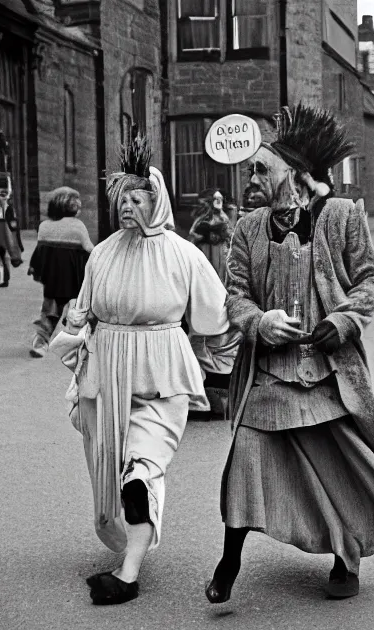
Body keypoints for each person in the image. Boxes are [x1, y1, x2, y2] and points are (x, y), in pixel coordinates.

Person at [205, 104, 374, 604]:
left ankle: (347, 559)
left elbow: (370, 280)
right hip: (271, 374)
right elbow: (234, 293)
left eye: (261, 169)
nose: (250, 178)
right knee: (246, 462)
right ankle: (229, 559)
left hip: (326, 373)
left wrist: (343, 321)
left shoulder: (341, 217)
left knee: (343, 468)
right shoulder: (248, 227)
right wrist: (259, 322)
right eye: (249, 169)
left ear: (294, 177)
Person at [50, 137, 229, 606]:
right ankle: (126, 557)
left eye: (136, 199)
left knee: (141, 469)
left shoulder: (182, 254)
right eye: (121, 200)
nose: (126, 207)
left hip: (160, 370)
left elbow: (215, 315)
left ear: (156, 201)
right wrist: (73, 322)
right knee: (111, 466)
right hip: (107, 370)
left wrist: (238, 346)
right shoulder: (104, 252)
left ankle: (128, 576)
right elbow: (84, 311)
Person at [187, 188, 241, 417]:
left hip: (220, 255)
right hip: (206, 255)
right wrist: (203, 235)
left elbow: (231, 236)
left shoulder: (225, 218)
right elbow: (193, 238)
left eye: (221, 198)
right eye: (216, 199)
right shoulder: (203, 219)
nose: (219, 202)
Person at [28, 187, 94, 358]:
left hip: (52, 279)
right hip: (74, 279)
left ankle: (40, 342)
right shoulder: (77, 226)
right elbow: (90, 250)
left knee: (49, 312)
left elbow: (39, 254)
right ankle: (80, 342)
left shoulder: (44, 227)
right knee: (79, 310)